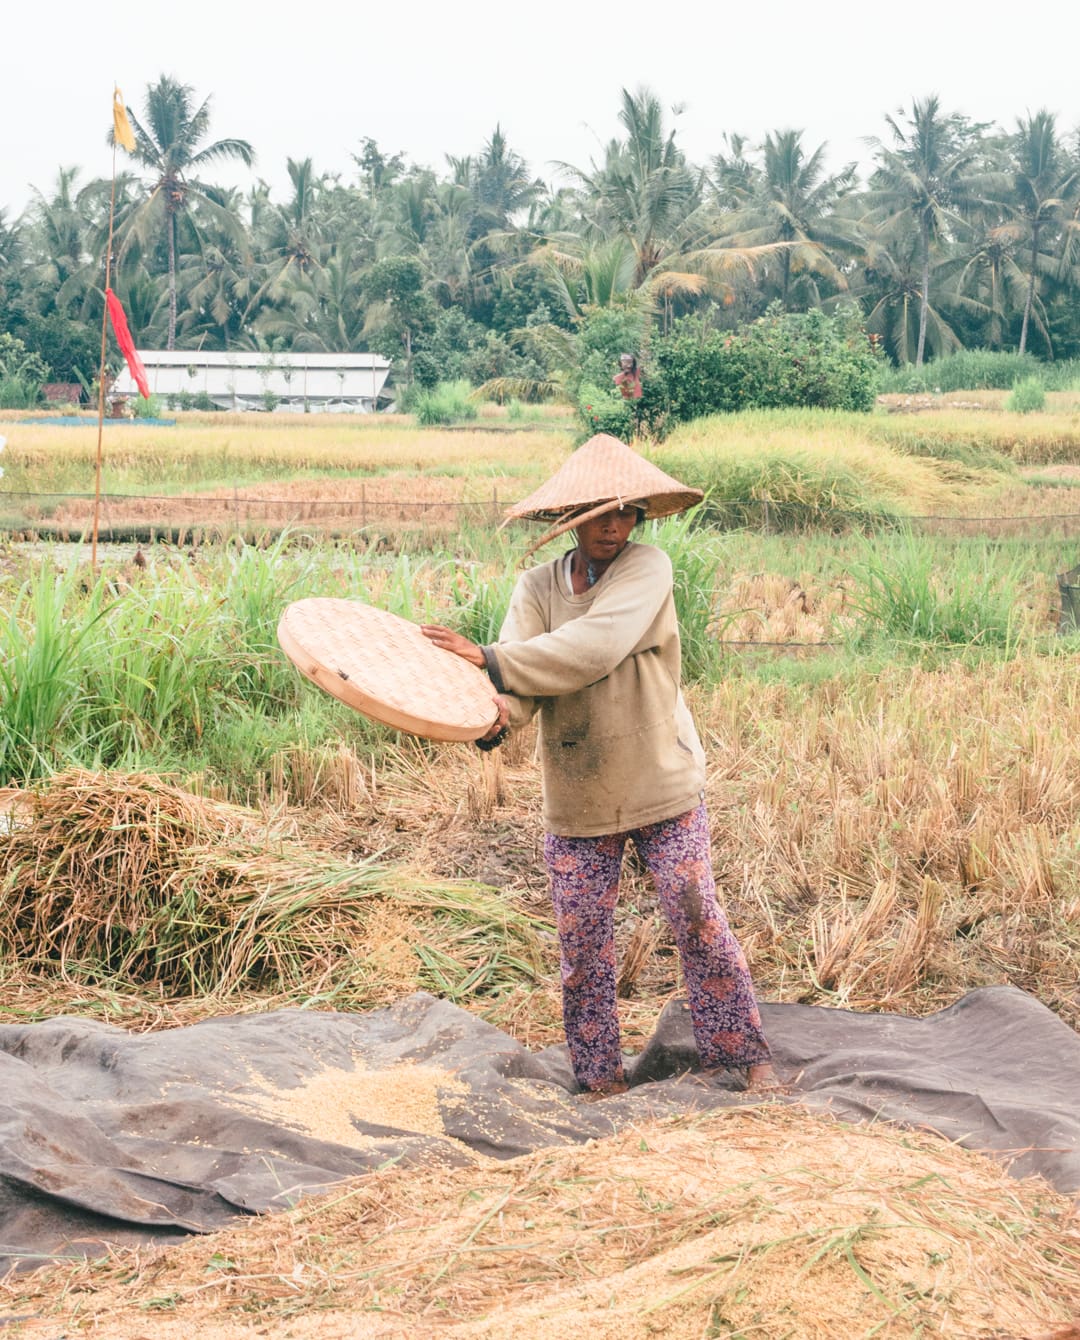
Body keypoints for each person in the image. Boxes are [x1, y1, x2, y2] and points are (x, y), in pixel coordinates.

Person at [421, 433, 778, 1099]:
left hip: (660, 781)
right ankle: (599, 1079)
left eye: (627, 512)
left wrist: (492, 658)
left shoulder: (648, 570)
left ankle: (744, 1056)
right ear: (573, 519)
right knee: (582, 947)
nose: (615, 526)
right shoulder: (536, 587)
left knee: (696, 917)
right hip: (579, 790)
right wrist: (494, 712)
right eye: (601, 514)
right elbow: (528, 679)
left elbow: (593, 646)